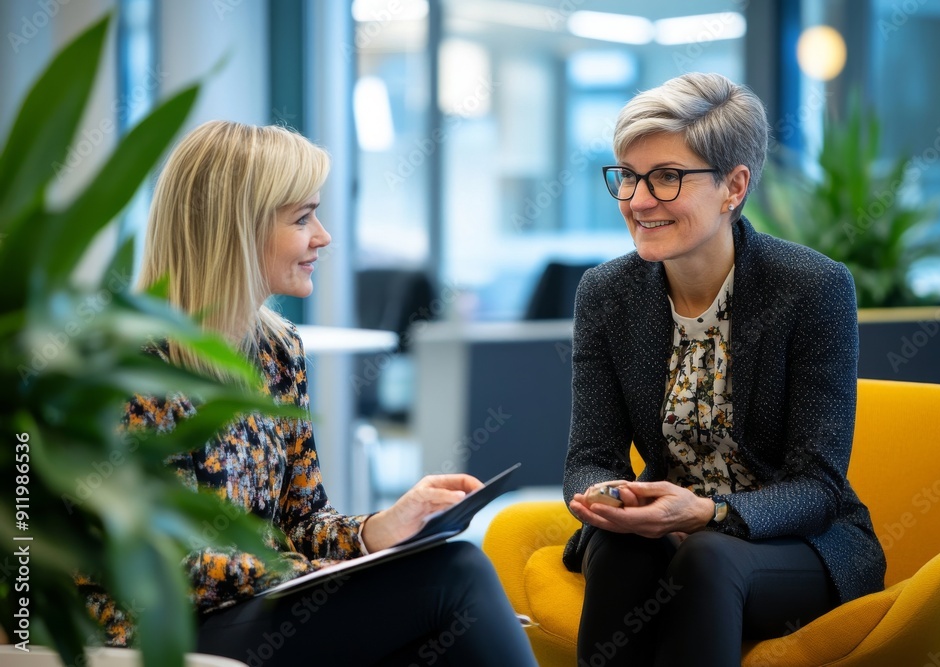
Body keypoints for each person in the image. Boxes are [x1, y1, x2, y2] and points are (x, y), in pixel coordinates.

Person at [81, 120, 538, 666]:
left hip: (255, 610)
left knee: (443, 614)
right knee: (455, 578)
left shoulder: (277, 351)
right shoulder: (134, 364)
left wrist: (379, 531)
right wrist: (318, 574)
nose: (322, 236)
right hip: (158, 636)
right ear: (235, 229)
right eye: (302, 219)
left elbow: (300, 522)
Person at [562, 72, 886, 666]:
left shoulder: (811, 287)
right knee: (618, 547)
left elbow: (817, 487)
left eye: (666, 177)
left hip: (792, 543)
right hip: (663, 531)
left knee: (705, 557)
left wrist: (710, 514)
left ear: (733, 186)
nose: (637, 201)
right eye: (629, 177)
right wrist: (609, 496)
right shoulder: (605, 293)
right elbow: (589, 455)